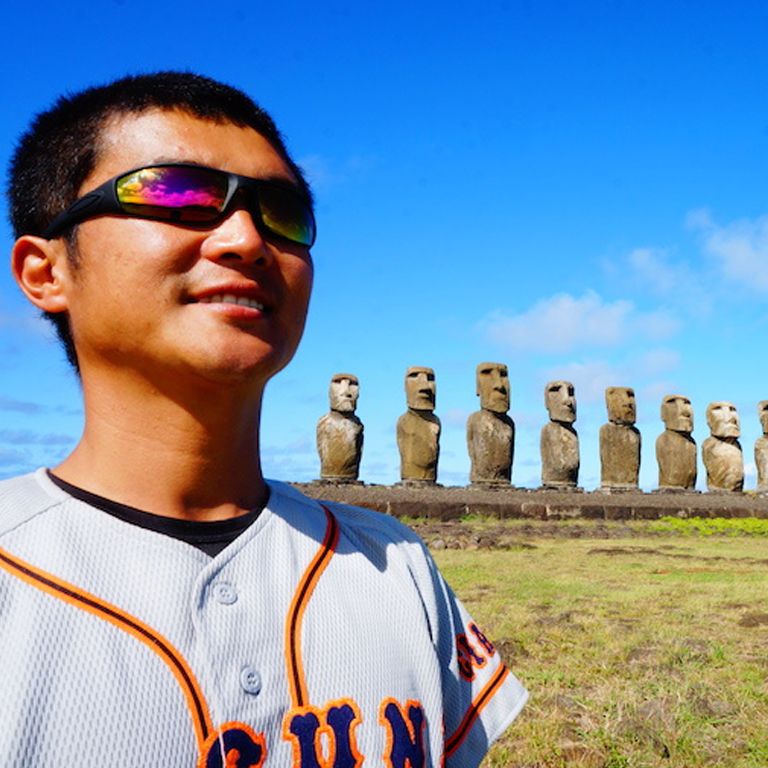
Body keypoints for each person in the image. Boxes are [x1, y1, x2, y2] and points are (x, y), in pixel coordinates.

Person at [2, 72, 526, 766]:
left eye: (282, 212)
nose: (246, 238)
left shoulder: (396, 565)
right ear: (45, 271)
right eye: (177, 194)